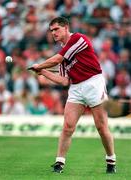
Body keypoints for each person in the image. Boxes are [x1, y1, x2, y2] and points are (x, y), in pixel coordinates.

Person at [28, 17, 116, 174]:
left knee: (101, 127)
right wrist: (42, 72)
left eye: (56, 29)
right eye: (51, 30)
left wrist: (39, 65)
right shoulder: (63, 51)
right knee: (68, 127)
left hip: (93, 83)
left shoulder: (78, 38)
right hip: (76, 87)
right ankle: (59, 163)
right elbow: (63, 81)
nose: (53, 33)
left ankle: (111, 160)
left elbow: (57, 59)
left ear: (66, 27)